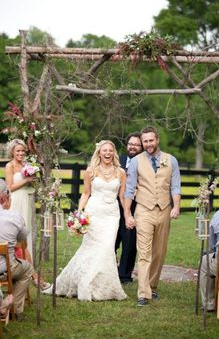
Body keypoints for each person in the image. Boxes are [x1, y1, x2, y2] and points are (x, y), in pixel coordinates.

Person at [43, 140, 127, 301]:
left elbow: (122, 196)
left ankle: (103, 287)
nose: (107, 153)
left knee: (107, 248)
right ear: (99, 153)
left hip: (112, 215)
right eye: (104, 151)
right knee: (90, 248)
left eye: (110, 150)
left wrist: (128, 214)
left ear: (114, 153)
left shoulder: (121, 172)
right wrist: (80, 212)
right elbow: (86, 193)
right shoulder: (90, 171)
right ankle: (84, 282)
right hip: (94, 212)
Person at [124, 126, 181, 306]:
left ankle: (152, 286)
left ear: (157, 140)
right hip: (143, 210)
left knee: (159, 252)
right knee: (144, 252)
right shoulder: (135, 162)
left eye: (151, 140)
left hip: (164, 210)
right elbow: (130, 189)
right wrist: (127, 214)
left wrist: (176, 206)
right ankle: (143, 293)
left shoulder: (171, 160)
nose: (148, 144)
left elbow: (175, 186)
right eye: (145, 141)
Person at [5, 138, 50, 291]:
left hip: (27, 200)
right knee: (17, 234)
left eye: (23, 151)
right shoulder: (9, 166)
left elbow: (33, 182)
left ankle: (26, 268)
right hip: (16, 201)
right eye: (18, 151)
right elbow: (9, 187)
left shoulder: (27, 166)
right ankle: (26, 271)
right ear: (12, 152)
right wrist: (26, 180)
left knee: (27, 233)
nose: (21, 153)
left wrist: (34, 180)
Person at [0, 179, 34, 320]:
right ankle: (16, 311)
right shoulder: (15, 217)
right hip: (5, 269)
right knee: (27, 269)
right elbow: (22, 239)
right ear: (4, 198)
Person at [115, 132, 142, 284]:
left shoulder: (144, 163)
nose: (132, 147)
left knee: (130, 243)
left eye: (136, 145)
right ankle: (110, 270)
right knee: (111, 240)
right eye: (130, 144)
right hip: (114, 207)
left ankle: (124, 275)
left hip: (134, 208)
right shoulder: (119, 160)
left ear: (141, 147)